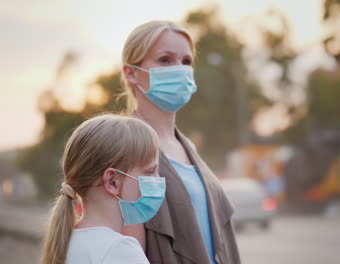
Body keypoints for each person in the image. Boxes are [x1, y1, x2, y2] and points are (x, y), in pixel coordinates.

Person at [121, 20, 241, 264]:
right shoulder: (124, 147)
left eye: (186, 61)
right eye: (165, 60)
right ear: (131, 72)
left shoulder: (188, 147)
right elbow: (128, 250)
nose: (179, 69)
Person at [41, 114, 166, 264]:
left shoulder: (67, 243)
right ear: (112, 182)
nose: (157, 179)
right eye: (150, 171)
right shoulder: (120, 250)